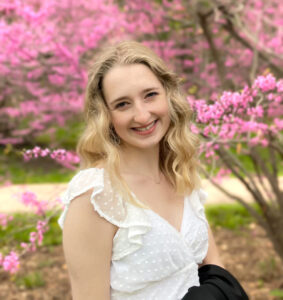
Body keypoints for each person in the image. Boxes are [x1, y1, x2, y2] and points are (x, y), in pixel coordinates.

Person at [57, 40, 249, 300]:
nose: (142, 115)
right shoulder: (94, 197)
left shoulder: (180, 171)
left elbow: (213, 265)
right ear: (106, 116)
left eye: (150, 95)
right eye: (123, 104)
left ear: (168, 95)